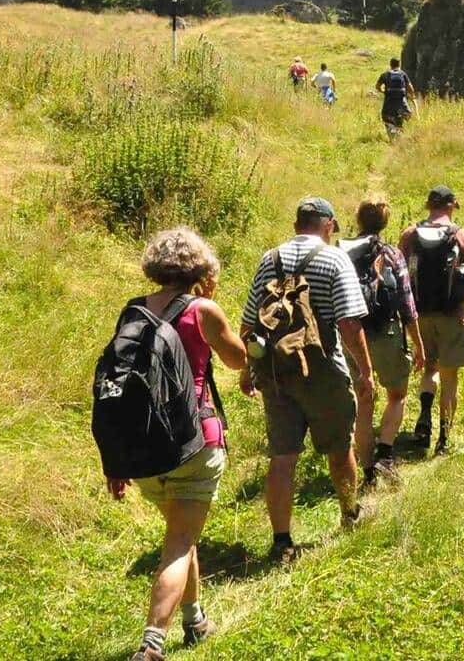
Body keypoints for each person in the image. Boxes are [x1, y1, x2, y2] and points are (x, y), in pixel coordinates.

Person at [108, 229, 250, 661]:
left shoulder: (133, 310)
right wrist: (212, 300)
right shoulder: (203, 310)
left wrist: (115, 459)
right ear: (199, 268)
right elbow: (238, 358)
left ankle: (196, 620)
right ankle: (152, 644)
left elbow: (117, 383)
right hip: (194, 443)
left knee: (180, 533)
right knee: (179, 543)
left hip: (144, 449)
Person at [240, 197, 378, 565]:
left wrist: (246, 370)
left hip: (275, 371)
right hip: (321, 371)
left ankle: (281, 541)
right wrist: (365, 371)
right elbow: (349, 322)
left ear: (297, 222)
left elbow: (249, 323)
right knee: (337, 446)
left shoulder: (269, 260)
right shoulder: (333, 259)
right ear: (328, 224)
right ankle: (350, 514)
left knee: (282, 457)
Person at [338, 199, 424, 487]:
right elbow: (406, 304)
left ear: (359, 220)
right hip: (386, 332)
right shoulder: (391, 254)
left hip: (351, 335)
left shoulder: (342, 253)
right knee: (397, 395)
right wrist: (419, 346)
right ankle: (386, 454)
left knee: (364, 403)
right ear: (385, 223)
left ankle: (368, 471)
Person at [401, 186, 464, 456]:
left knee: (428, 368)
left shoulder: (410, 234)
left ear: (428, 205)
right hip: (451, 315)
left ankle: (423, 419)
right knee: (450, 379)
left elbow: (400, 273)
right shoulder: (461, 235)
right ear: (451, 206)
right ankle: (443, 439)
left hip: (419, 314)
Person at [374, 58, 413, 138]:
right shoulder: (403, 74)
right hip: (401, 101)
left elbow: (377, 87)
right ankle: (399, 131)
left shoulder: (385, 74)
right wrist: (412, 95)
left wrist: (383, 91)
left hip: (389, 101)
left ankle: (393, 133)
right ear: (399, 64)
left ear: (390, 64)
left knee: (386, 116)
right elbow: (410, 87)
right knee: (406, 114)